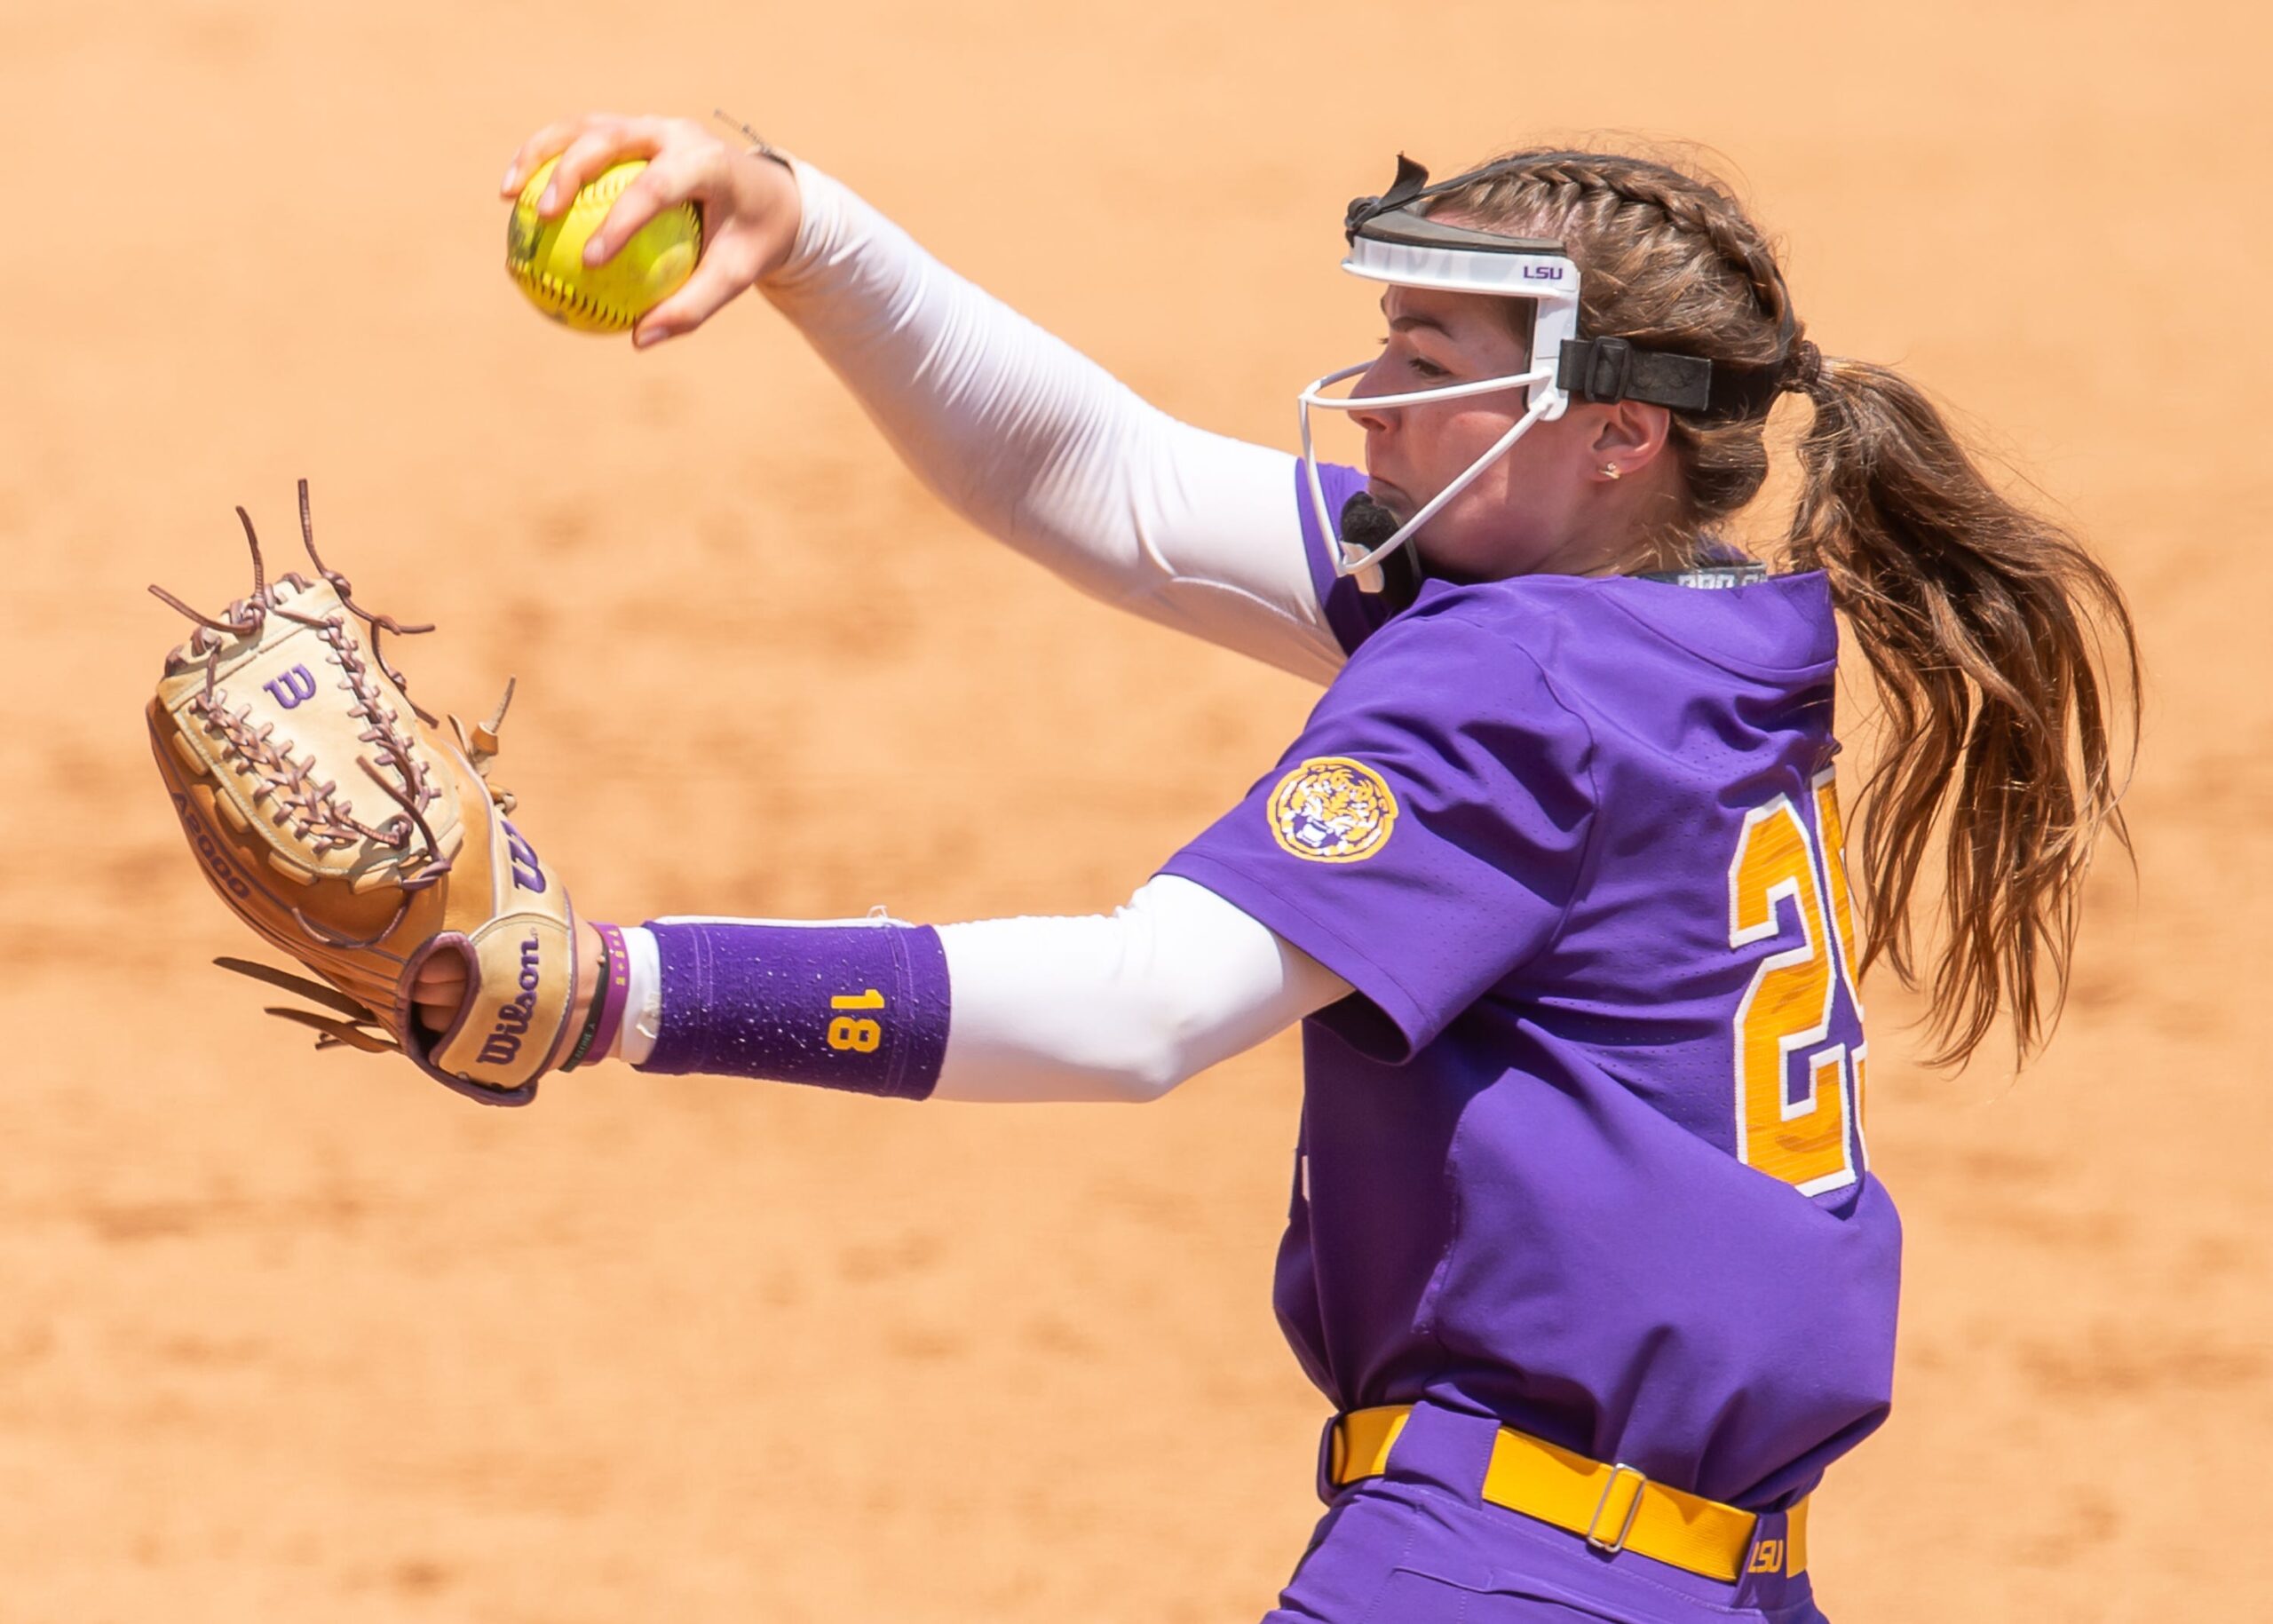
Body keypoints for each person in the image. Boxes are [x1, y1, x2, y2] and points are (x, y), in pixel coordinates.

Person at [444, 114, 2140, 1622]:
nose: (1377, 398)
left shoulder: (1514, 681)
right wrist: (807, 227)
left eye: (1431, 358)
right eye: (1385, 338)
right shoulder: (1708, 629)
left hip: (1497, 1573)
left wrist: (628, 988)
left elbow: (1142, 1011)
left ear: (1615, 432)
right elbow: (1106, 482)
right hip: (1725, 1578)